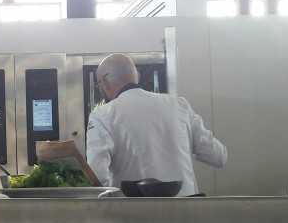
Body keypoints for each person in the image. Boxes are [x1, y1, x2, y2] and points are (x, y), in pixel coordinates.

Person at [86, 53, 226, 196]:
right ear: (137, 76)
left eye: (99, 85)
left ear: (105, 82)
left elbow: (97, 176)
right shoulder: (179, 105)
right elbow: (219, 156)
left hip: (134, 208)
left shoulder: (102, 115)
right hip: (185, 207)